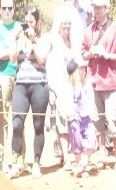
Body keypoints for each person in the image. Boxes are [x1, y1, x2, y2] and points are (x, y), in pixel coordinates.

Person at [82, 0, 116, 170]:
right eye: (94, 7)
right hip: (94, 82)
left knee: (113, 119)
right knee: (97, 121)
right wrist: (91, 53)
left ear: (106, 9)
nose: (96, 11)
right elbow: (83, 53)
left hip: (111, 81)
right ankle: (101, 155)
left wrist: (107, 55)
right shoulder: (89, 30)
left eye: (99, 7)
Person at [9, 6, 51, 178]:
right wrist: (14, 38)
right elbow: (12, 58)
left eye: (31, 22)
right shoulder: (20, 38)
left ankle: (36, 162)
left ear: (38, 22)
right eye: (26, 22)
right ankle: (16, 161)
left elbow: (41, 60)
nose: (28, 26)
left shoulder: (45, 38)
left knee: (38, 125)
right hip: (21, 84)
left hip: (39, 85)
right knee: (17, 123)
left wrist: (33, 41)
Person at [46, 6, 80, 167]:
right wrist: (52, 90)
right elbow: (49, 66)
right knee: (61, 122)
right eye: (63, 24)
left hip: (71, 86)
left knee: (72, 120)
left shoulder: (72, 43)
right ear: (58, 25)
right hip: (58, 86)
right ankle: (66, 157)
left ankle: (68, 152)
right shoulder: (53, 42)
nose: (66, 27)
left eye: (68, 24)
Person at [0, 0, 21, 162]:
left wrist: (13, 50)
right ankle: (0, 157)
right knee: (2, 119)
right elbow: (0, 54)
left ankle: (18, 158)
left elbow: (22, 50)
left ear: (14, 9)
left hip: (19, 76)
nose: (7, 11)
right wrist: (14, 47)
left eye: (10, 8)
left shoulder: (19, 27)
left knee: (18, 119)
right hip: (1, 77)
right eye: (4, 8)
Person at [66, 56, 97, 176]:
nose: (85, 70)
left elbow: (90, 100)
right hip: (74, 117)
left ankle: (82, 165)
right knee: (76, 141)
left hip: (86, 117)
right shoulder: (69, 86)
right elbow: (68, 103)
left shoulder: (87, 83)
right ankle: (80, 166)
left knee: (91, 140)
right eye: (82, 68)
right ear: (76, 71)